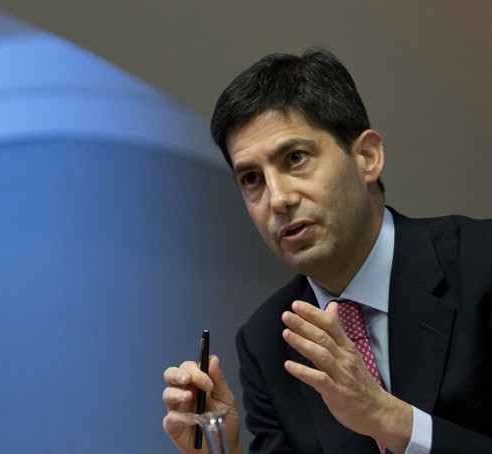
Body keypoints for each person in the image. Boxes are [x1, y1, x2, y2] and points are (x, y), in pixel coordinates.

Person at [162, 48, 492, 453]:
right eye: (251, 179)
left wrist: (389, 418)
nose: (278, 199)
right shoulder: (268, 341)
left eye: (295, 158)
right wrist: (219, 445)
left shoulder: (481, 262)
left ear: (367, 157)